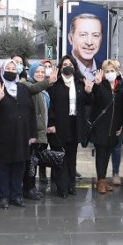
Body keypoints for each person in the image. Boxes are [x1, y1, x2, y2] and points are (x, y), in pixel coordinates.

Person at [0, 60, 37, 209]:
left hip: (21, 135)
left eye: (13, 68)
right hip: (1, 136)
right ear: (2, 70)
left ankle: (16, 195)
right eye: (7, 68)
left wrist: (32, 133)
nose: (11, 70)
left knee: (19, 166)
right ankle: (2, 196)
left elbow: (31, 112)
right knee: (2, 167)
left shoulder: (22, 89)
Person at [47, 55, 89, 198]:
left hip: (75, 124)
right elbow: (50, 106)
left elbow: (87, 103)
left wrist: (89, 92)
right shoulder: (55, 83)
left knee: (72, 156)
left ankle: (71, 185)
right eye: (65, 64)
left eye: (70, 64)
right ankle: (61, 187)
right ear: (60, 67)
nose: (67, 66)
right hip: (58, 125)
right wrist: (51, 123)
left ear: (75, 67)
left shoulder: (79, 83)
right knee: (60, 157)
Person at [84, 60, 123, 194]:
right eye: (107, 71)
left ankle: (102, 180)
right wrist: (94, 87)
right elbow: (91, 101)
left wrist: (121, 125)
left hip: (114, 128)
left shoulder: (120, 87)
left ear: (117, 72)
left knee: (107, 154)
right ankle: (101, 181)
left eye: (112, 71)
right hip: (100, 127)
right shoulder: (100, 85)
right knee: (101, 154)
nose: (110, 73)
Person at [25, 62, 54, 200]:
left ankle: (31, 187)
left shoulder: (44, 91)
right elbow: (33, 89)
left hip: (42, 131)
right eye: (37, 72)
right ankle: (29, 188)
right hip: (33, 132)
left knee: (34, 161)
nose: (40, 74)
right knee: (31, 161)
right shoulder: (28, 85)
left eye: (43, 72)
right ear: (31, 73)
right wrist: (48, 81)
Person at [68, 13, 103, 79]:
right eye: (83, 35)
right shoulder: (61, 71)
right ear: (70, 38)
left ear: (101, 39)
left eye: (95, 35)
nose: (89, 42)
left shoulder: (105, 70)